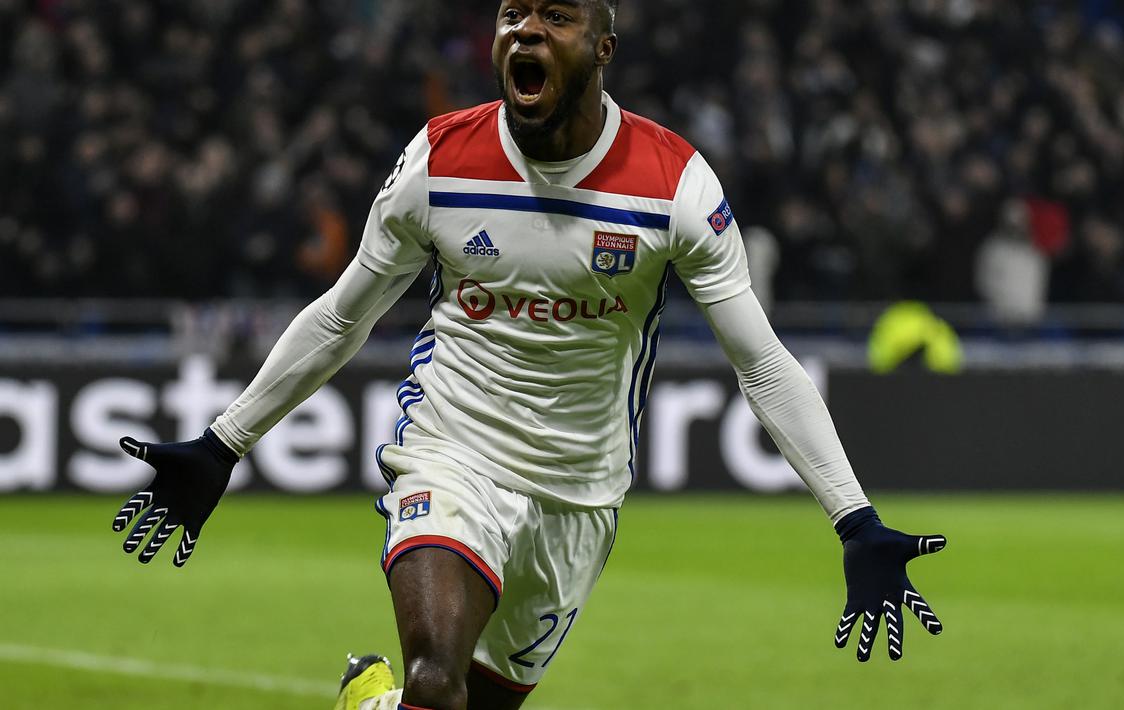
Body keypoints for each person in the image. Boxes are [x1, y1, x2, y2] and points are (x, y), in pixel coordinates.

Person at [108, 2, 948, 708]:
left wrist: (854, 518)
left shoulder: (673, 183)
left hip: (578, 497)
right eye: (513, 13)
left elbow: (760, 364)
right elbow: (341, 318)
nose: (526, 31)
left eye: (556, 15)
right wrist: (225, 441)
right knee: (437, 679)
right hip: (453, 451)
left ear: (602, 48)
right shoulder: (440, 159)